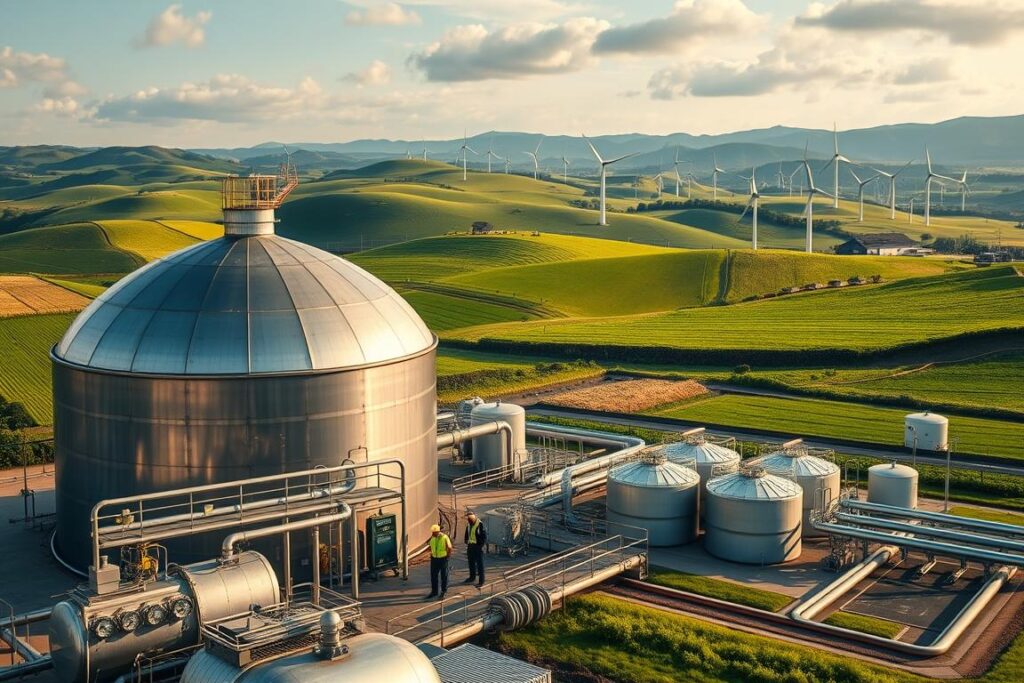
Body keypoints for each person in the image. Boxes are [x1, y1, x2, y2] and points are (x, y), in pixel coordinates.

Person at [426, 524, 452, 600]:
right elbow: (429, 545)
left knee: (444, 576)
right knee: (433, 576)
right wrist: (432, 553)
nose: (432, 534)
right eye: (432, 532)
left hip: (443, 559)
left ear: (438, 531)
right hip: (434, 559)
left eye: (434, 532)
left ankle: (443, 591)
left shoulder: (444, 537)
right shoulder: (433, 538)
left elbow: (449, 548)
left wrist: (447, 557)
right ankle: (434, 591)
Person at [462, 512, 487, 588]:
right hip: (470, 546)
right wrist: (466, 540)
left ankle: (481, 581)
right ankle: (472, 577)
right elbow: (467, 532)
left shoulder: (480, 525)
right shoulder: (469, 524)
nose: (468, 521)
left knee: (480, 564)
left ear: (473, 519)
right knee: (471, 562)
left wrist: (480, 546)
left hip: (477, 546)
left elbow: (484, 537)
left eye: (469, 520)